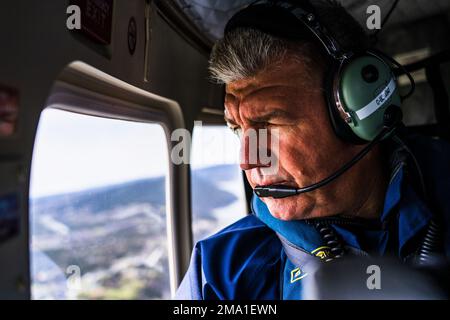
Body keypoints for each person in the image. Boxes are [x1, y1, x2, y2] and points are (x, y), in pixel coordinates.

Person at [176, 0, 450, 299]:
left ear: (358, 110)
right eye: (237, 128)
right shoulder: (218, 275)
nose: (247, 160)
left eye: (270, 123)